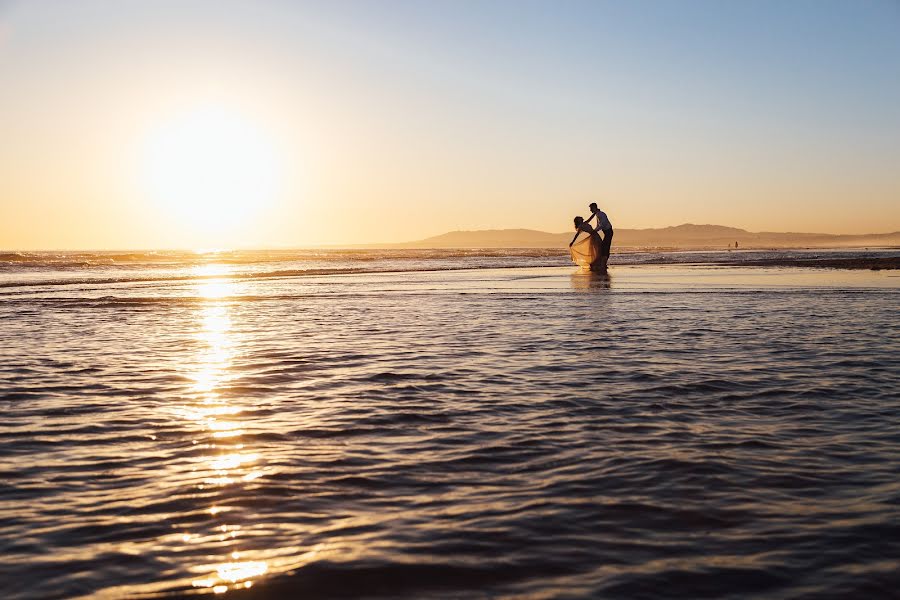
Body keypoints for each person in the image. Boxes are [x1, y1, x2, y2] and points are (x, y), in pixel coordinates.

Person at [585, 202, 613, 270]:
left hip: (608, 232)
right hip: (606, 233)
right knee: (604, 247)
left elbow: (602, 225)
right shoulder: (597, 214)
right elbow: (598, 225)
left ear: (594, 208)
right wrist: (595, 230)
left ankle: (604, 264)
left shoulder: (601, 214)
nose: (590, 210)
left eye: (591, 208)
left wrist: (595, 231)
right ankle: (603, 264)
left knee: (605, 248)